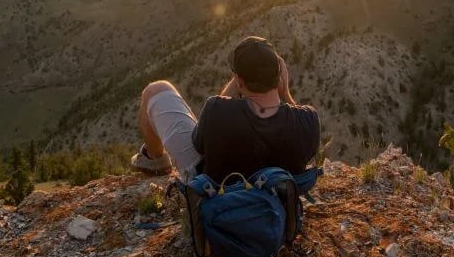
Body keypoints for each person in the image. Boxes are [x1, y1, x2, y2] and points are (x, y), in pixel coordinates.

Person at [132, 36, 320, 183]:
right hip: (276, 207)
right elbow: (299, 131)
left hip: (216, 195)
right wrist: (285, 93)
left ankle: (155, 161)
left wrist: (239, 79)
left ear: (239, 81)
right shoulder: (308, 120)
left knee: (156, 90)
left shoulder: (217, 110)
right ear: (279, 76)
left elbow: (201, 146)